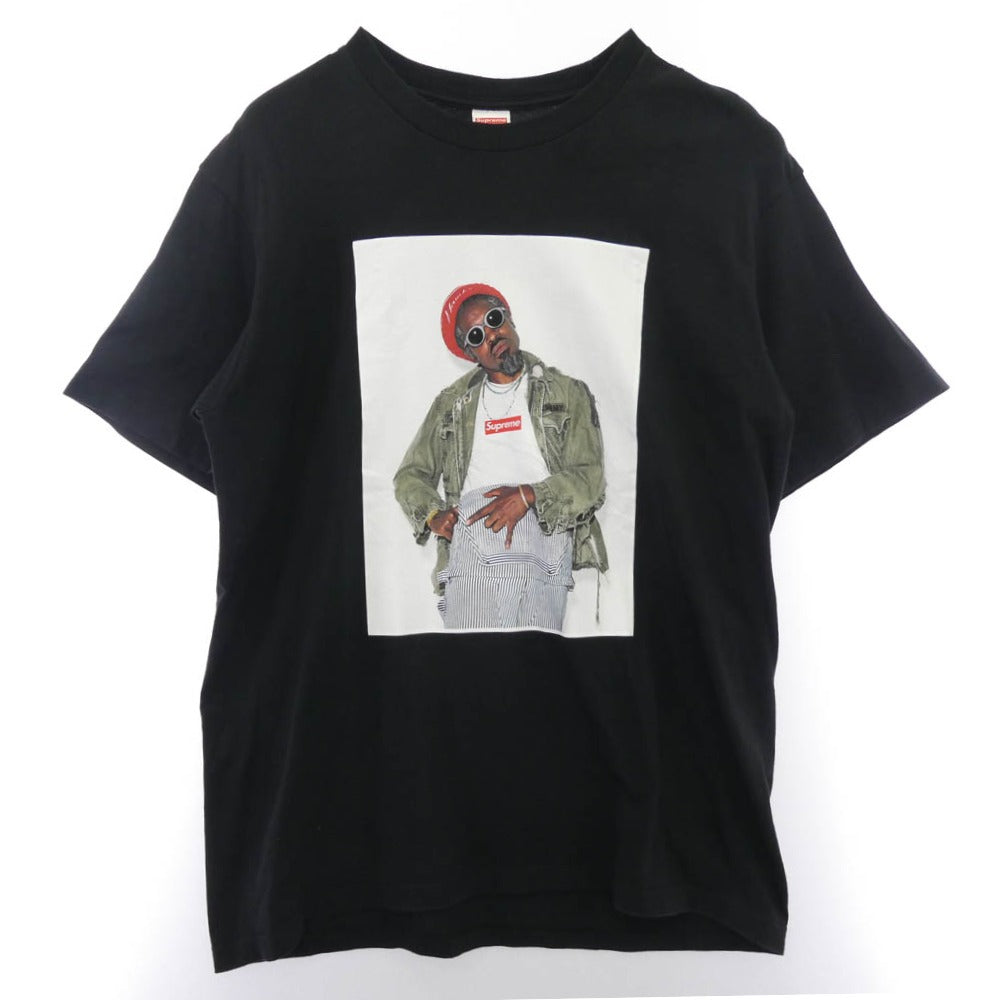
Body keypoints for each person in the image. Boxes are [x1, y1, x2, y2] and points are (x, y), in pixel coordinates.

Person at [393, 283, 610, 630]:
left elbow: (591, 479)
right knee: (474, 660)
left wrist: (528, 496)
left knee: (536, 661)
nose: (492, 335)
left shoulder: (569, 392)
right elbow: (410, 475)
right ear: (470, 353)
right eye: (476, 336)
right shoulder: (451, 404)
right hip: (474, 549)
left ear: (510, 319)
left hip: (546, 545)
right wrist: (432, 514)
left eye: (494, 320)